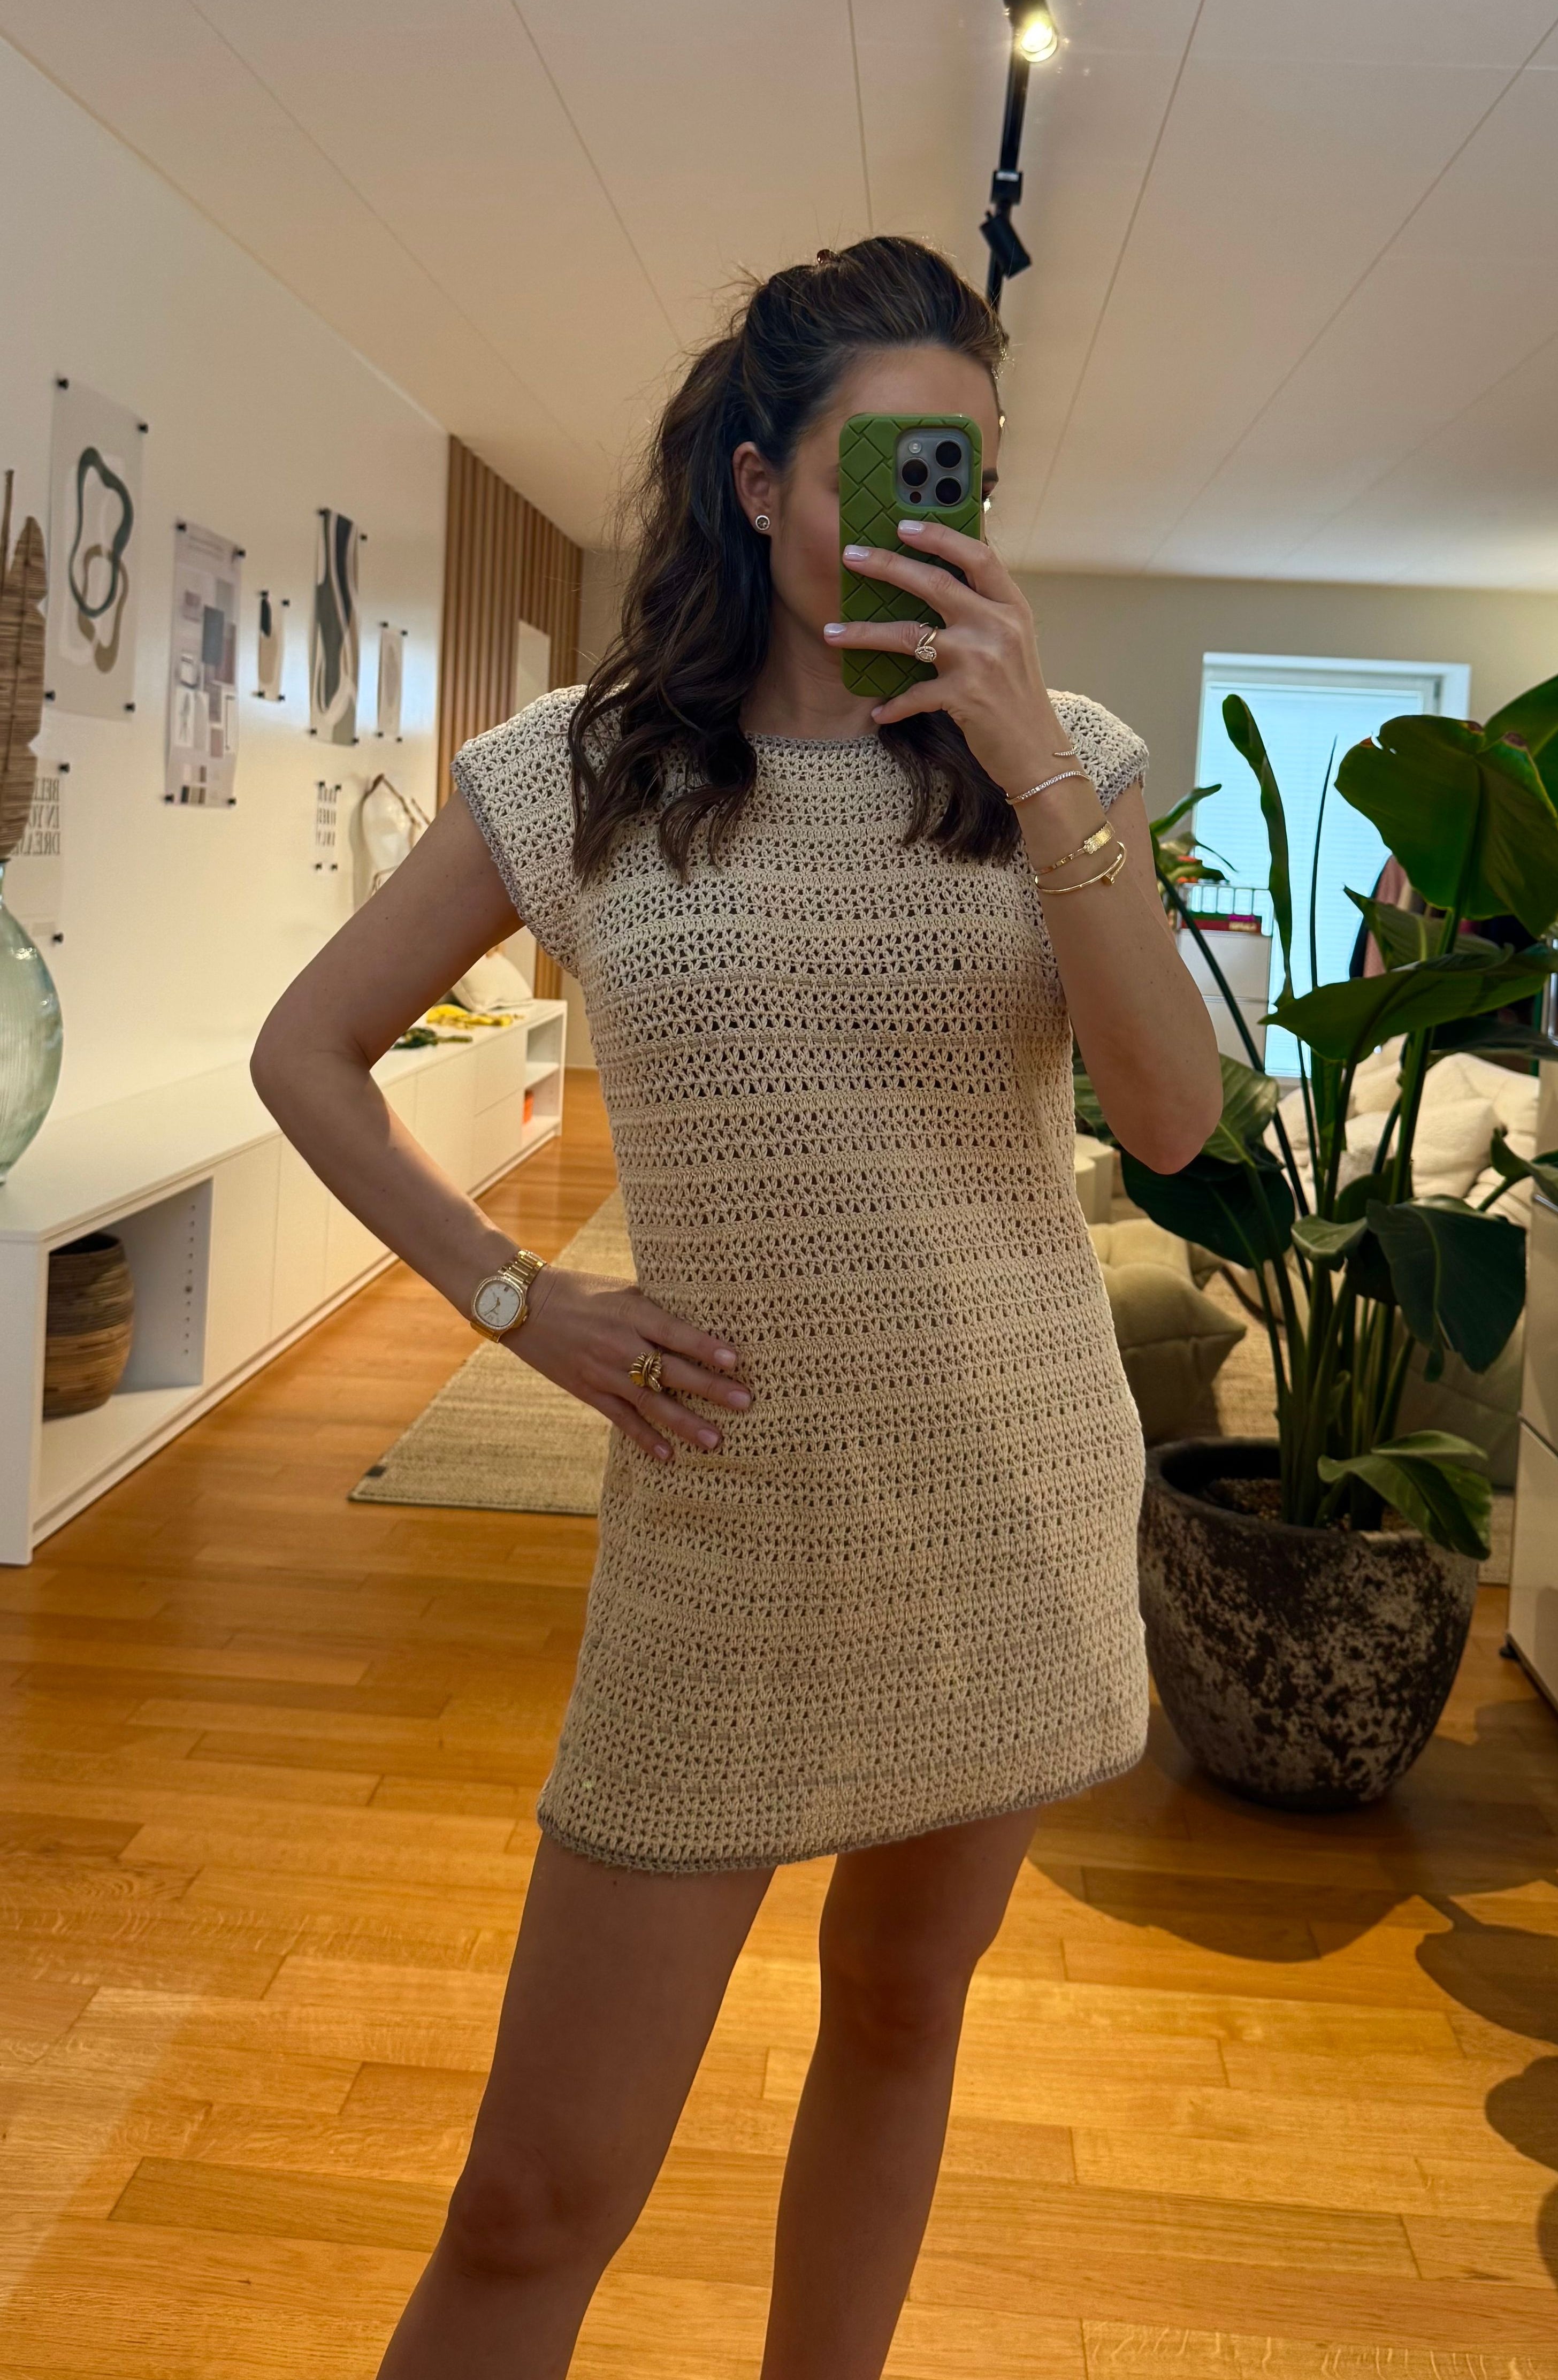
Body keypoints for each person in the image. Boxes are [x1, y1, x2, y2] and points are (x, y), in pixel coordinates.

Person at [251, 234, 1220, 2380]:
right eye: (884, 465)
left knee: (898, 2014)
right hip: (728, 1537)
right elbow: (305, 1052)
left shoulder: (1061, 762)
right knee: (529, 2201)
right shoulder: (575, 773)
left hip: (1005, 1507)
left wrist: (1029, 762)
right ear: (763, 480)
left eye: (962, 471)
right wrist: (515, 1298)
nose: (924, 515)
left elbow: (1169, 1119)